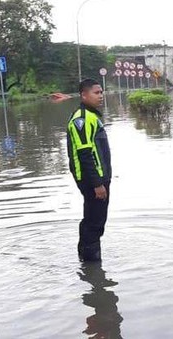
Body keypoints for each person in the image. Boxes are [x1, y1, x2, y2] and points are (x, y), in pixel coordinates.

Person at [67, 78, 112, 262]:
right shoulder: (82, 119)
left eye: (101, 92)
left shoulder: (92, 117)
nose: (100, 96)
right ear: (83, 95)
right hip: (92, 181)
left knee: (94, 221)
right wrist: (97, 184)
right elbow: (85, 154)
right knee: (94, 223)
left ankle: (87, 265)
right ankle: (91, 265)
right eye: (96, 93)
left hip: (100, 179)